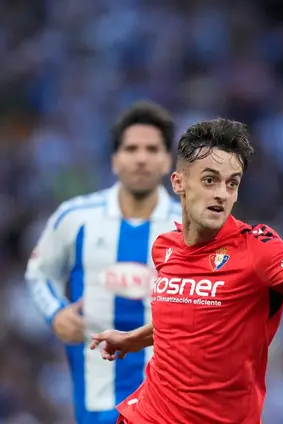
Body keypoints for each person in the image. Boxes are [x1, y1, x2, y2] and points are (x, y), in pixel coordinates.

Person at [89, 118, 283, 424]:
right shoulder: (165, 248)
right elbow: (189, 319)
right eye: (210, 180)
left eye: (231, 183)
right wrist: (134, 339)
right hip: (145, 416)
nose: (222, 193)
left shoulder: (257, 249)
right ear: (179, 182)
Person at [25, 101, 179, 424]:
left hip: (169, 393)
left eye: (152, 149)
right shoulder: (76, 217)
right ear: (115, 159)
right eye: (131, 148)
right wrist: (56, 313)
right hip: (97, 390)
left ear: (167, 161)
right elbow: (39, 273)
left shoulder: (188, 225)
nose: (141, 158)